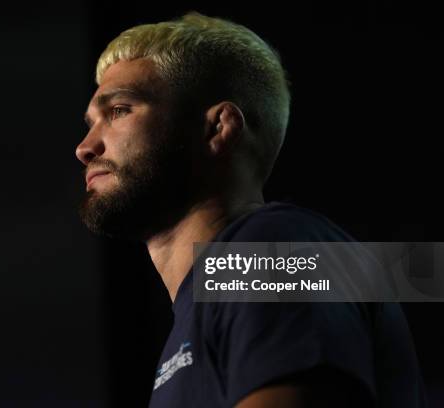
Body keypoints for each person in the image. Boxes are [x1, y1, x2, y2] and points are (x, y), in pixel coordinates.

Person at [75, 12, 426, 408]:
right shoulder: (205, 304)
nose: (85, 147)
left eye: (119, 110)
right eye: (90, 123)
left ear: (218, 128)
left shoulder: (271, 250)